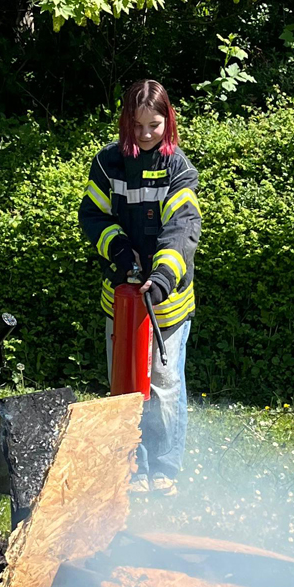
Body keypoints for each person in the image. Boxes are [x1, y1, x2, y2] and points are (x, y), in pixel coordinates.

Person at [79, 79, 202, 496]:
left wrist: (162, 277)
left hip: (167, 302)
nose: (147, 134)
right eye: (138, 125)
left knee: (164, 387)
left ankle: (165, 468)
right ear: (125, 124)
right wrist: (120, 253)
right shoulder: (107, 163)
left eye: (154, 124)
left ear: (168, 121)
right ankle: (133, 469)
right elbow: (93, 217)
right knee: (126, 388)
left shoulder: (179, 168)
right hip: (122, 300)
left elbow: (183, 228)